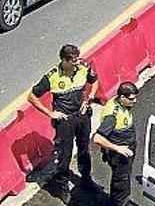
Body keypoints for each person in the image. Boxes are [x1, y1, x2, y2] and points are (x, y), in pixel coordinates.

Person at [28, 44, 102, 202]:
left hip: (82, 116)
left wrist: (89, 98)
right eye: (73, 60)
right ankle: (62, 187)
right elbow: (32, 97)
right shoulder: (52, 76)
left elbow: (94, 81)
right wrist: (50, 113)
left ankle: (86, 180)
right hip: (65, 121)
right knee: (64, 155)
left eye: (77, 58)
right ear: (63, 60)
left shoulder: (83, 67)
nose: (76, 62)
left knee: (84, 149)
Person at [93, 82, 138, 206]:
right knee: (121, 184)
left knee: (123, 181)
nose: (135, 101)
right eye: (132, 99)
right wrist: (117, 148)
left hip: (126, 152)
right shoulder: (112, 116)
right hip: (119, 157)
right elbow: (97, 138)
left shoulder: (119, 101)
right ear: (123, 98)